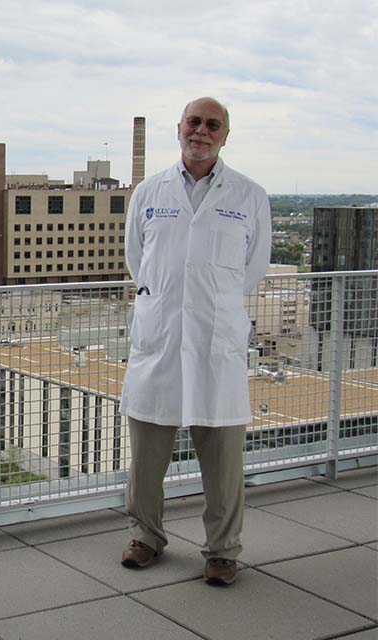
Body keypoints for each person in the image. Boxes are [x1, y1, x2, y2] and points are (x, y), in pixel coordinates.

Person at [118, 97, 271, 586]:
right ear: (179, 128)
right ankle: (146, 536)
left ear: (225, 135)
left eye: (212, 125)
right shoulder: (149, 192)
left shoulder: (250, 196)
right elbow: (137, 260)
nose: (201, 131)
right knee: (147, 458)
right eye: (194, 122)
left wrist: (208, 302)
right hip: (160, 342)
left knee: (224, 462)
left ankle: (222, 551)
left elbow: (253, 269)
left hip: (215, 345)